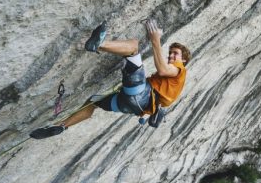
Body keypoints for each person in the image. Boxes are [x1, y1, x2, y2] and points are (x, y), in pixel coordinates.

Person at [30, 19, 190, 139]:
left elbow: (162, 69)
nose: (171, 56)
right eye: (170, 54)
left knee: (134, 47)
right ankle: (62, 126)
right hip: (131, 107)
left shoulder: (179, 70)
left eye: (175, 54)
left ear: (183, 60)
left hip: (140, 95)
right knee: (93, 101)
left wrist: (155, 38)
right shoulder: (173, 84)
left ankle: (98, 44)